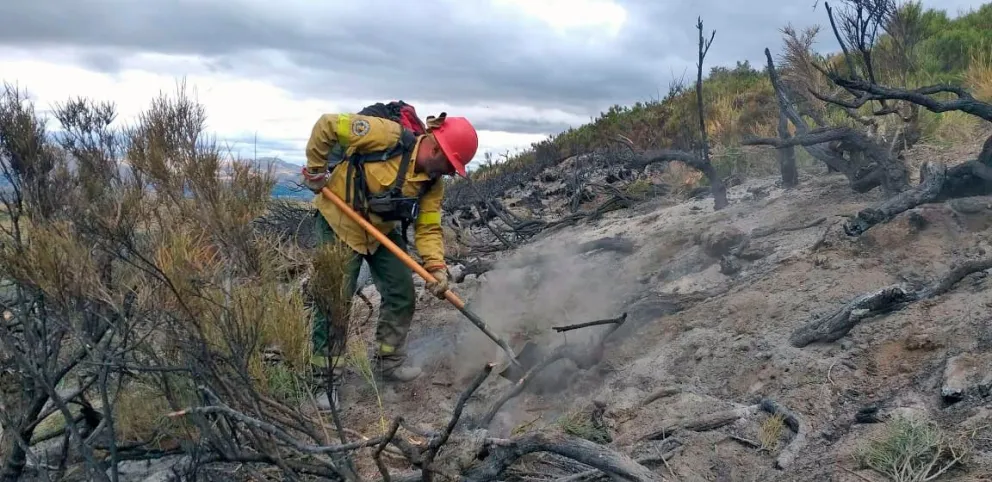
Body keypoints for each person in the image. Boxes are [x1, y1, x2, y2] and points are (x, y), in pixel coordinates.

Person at [300, 109, 478, 409]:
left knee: (402, 292)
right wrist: (316, 170)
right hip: (339, 223)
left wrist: (436, 267)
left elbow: (428, 227)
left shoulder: (432, 184)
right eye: (449, 165)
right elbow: (327, 125)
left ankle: (388, 361)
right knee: (334, 301)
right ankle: (325, 380)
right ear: (435, 148)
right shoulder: (384, 135)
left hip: (380, 231)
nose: (448, 173)